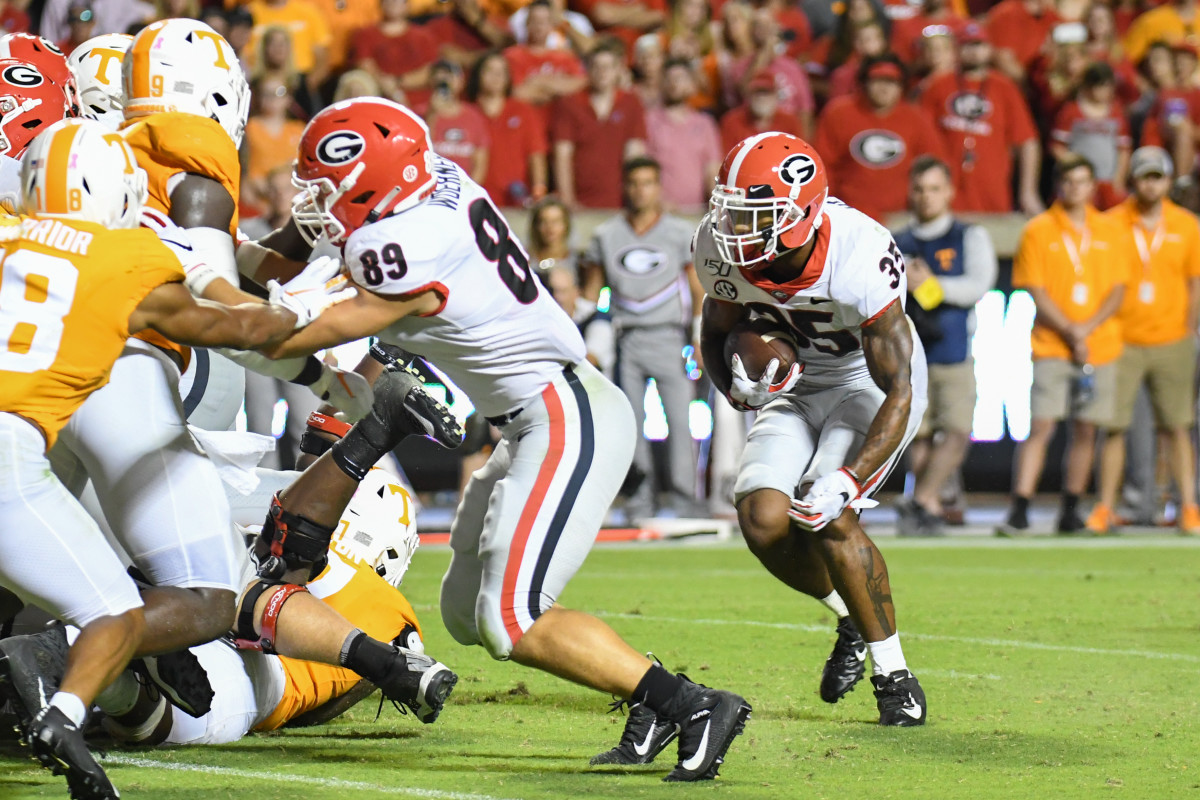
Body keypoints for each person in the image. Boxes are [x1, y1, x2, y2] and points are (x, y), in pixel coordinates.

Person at [252, 97, 752, 782]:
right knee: (464, 614)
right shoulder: (424, 195)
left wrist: (200, 298)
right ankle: (653, 692)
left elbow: (296, 329)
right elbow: (288, 258)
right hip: (528, 420)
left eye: (330, 188)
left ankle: (691, 704)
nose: (315, 203)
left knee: (511, 619)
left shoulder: (407, 248)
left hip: (565, 410)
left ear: (377, 186)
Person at [0, 117, 346, 800]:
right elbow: (241, 329)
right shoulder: (123, 258)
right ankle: (64, 715)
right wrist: (298, 305)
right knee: (116, 613)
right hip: (11, 453)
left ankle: (66, 731)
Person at [693, 131, 929, 725]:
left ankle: (894, 675)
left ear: (800, 212)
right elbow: (716, 329)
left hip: (865, 383)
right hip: (795, 385)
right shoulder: (718, 248)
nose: (733, 231)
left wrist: (848, 480)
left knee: (827, 513)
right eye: (730, 212)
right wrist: (734, 386)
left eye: (755, 216)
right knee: (762, 518)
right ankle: (847, 612)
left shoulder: (859, 252)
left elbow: (898, 388)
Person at [999, 155, 1131, 536]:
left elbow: (1118, 289)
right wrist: (1072, 331)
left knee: (1087, 428)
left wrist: (1086, 329)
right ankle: (1020, 506)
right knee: (1041, 425)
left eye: (1083, 181)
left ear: (1093, 186)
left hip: (1100, 344)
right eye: (1069, 181)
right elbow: (1035, 289)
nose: (1076, 188)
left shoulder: (1110, 230)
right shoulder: (1039, 230)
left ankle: (1071, 507)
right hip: (1052, 344)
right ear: (1059, 185)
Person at [581, 156, 704, 519]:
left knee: (681, 421)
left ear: (658, 187)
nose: (640, 190)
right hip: (625, 337)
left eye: (648, 182)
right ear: (625, 186)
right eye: (634, 183)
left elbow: (697, 289)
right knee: (628, 423)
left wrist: (697, 337)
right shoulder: (606, 235)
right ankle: (639, 497)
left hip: (668, 336)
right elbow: (592, 293)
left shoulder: (680, 233)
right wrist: (585, 341)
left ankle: (684, 498)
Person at [1090, 147, 1200, 535]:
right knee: (1114, 426)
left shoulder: (1187, 225)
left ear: (1169, 181)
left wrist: (1189, 328)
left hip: (1172, 338)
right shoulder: (1111, 223)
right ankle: (1104, 506)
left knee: (1177, 426)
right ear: (1133, 180)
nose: (1151, 184)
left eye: (1158, 176)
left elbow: (1195, 282)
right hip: (1123, 337)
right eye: (1144, 176)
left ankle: (1188, 505)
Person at [894, 156, 997, 536]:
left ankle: (921, 499)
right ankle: (928, 505)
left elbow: (978, 285)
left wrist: (931, 287)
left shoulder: (969, 235)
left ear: (950, 191)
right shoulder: (897, 240)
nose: (926, 197)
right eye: (920, 189)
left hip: (953, 350)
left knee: (956, 431)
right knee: (917, 436)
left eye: (935, 189)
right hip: (908, 354)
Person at [918, 23, 1043, 215]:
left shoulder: (1004, 87)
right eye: (967, 46)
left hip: (992, 190)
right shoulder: (938, 85)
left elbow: (1027, 141)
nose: (974, 52)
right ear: (957, 49)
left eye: (979, 45)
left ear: (989, 49)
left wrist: (1028, 192)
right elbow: (918, 136)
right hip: (945, 191)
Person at [814, 54, 945, 222]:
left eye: (891, 82)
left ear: (901, 87)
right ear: (864, 83)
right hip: (849, 217)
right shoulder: (839, 114)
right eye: (877, 81)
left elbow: (933, 166)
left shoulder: (916, 119)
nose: (884, 88)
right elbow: (823, 167)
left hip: (901, 218)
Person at [551, 39, 646, 209]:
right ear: (588, 69)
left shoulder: (631, 103)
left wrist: (635, 199)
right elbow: (562, 155)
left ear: (618, 70)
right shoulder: (570, 103)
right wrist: (567, 199)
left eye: (608, 67)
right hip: (580, 201)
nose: (602, 72)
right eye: (597, 66)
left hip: (620, 201)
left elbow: (634, 154)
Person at [468, 50, 548, 207]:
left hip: (515, 199)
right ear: (478, 75)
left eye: (501, 72)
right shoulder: (467, 113)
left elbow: (536, 154)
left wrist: (539, 191)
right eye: (490, 70)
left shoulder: (523, 111)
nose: (496, 77)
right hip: (475, 199)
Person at [645, 58, 722, 213]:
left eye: (680, 78)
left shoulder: (705, 124)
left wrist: (715, 207)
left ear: (691, 84)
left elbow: (712, 170)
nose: (674, 83)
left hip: (697, 214)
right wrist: (658, 201)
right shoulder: (649, 121)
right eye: (669, 78)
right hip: (661, 213)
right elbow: (643, 167)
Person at [424, 60, 490, 185]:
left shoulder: (474, 116)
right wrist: (432, 114)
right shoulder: (420, 114)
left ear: (461, 82)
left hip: (464, 189)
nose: (444, 82)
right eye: (439, 77)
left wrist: (470, 189)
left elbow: (480, 162)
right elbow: (422, 152)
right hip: (431, 190)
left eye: (450, 76)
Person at [720, 69, 806, 151]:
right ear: (749, 96)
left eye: (766, 93)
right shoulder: (732, 121)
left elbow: (799, 152)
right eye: (757, 93)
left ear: (775, 96)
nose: (761, 98)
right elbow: (726, 157)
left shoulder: (790, 121)